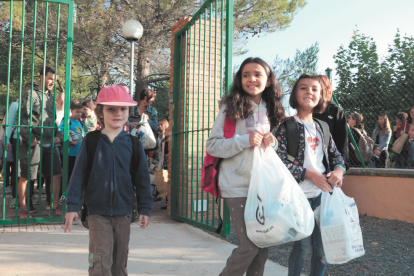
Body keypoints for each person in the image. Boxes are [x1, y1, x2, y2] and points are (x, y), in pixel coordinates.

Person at [207, 57, 285, 276]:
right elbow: (212, 145)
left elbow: (277, 148)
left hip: (264, 186)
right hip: (237, 185)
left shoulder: (273, 108)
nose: (252, 79)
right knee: (250, 245)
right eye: (246, 74)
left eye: (258, 74)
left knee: (262, 246)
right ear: (239, 79)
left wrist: (273, 142)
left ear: (268, 80)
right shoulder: (229, 106)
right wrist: (244, 139)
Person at [64, 85, 153, 276]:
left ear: (129, 111)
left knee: (119, 265)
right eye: (111, 108)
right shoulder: (91, 141)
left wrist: (145, 207)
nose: (117, 113)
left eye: (122, 108)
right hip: (97, 213)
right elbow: (77, 175)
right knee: (100, 263)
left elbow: (142, 179)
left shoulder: (133, 144)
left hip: (124, 212)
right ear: (100, 112)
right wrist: (72, 206)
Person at [275, 74, 345, 276]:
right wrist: (309, 174)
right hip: (298, 198)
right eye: (303, 88)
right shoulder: (286, 126)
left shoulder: (323, 128)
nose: (309, 92)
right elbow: (278, 162)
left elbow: (337, 156)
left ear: (322, 96)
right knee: (303, 248)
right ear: (295, 95)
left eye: (315, 89)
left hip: (323, 197)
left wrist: (339, 170)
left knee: (322, 250)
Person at [18, 65, 63, 218]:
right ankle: (24, 209)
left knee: (57, 174)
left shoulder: (50, 96)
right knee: (27, 176)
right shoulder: (29, 94)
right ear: (42, 77)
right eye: (50, 78)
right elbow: (23, 118)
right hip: (34, 141)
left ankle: (55, 206)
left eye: (55, 80)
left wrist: (58, 134)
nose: (52, 82)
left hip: (50, 142)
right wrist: (29, 137)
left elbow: (52, 121)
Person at [313, 75, 349, 168]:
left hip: (330, 164)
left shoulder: (336, 111)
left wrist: (341, 167)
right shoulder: (308, 109)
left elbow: (342, 141)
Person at [59, 101, 84, 183]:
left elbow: (81, 136)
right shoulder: (67, 121)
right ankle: (63, 195)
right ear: (71, 110)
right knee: (67, 175)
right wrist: (70, 141)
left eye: (80, 112)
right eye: (77, 112)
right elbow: (60, 132)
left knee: (74, 176)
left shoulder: (79, 122)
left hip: (77, 154)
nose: (79, 114)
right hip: (68, 154)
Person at [6, 99, 20, 208]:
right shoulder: (15, 105)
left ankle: (29, 196)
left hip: (33, 140)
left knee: (32, 170)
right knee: (17, 168)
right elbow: (9, 123)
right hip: (18, 139)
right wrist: (7, 141)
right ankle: (16, 197)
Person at [157, 119, 169, 210]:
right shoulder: (162, 137)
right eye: (159, 125)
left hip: (167, 162)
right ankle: (166, 202)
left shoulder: (168, 137)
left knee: (167, 182)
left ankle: (168, 202)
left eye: (162, 124)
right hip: (163, 162)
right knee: (164, 182)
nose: (160, 126)